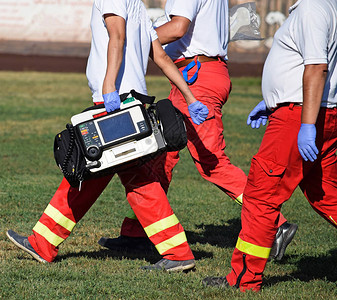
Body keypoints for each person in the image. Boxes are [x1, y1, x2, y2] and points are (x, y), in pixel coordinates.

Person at [6, 0, 210, 272]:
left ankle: (176, 253)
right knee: (107, 177)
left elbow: (117, 35)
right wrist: (190, 96)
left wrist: (109, 87)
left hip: (114, 104)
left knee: (91, 168)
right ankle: (43, 242)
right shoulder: (137, 5)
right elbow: (160, 56)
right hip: (130, 103)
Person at [99, 0, 297, 263]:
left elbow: (178, 28)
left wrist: (137, 37)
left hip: (197, 75)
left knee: (212, 163)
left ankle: (274, 222)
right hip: (200, 72)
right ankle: (138, 233)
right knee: (160, 157)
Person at [203, 0, 337, 292]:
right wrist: (274, 97)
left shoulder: (313, 7)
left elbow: (316, 67)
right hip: (314, 109)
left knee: (261, 196)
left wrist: (305, 122)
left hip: (300, 114)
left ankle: (244, 280)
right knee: (327, 195)